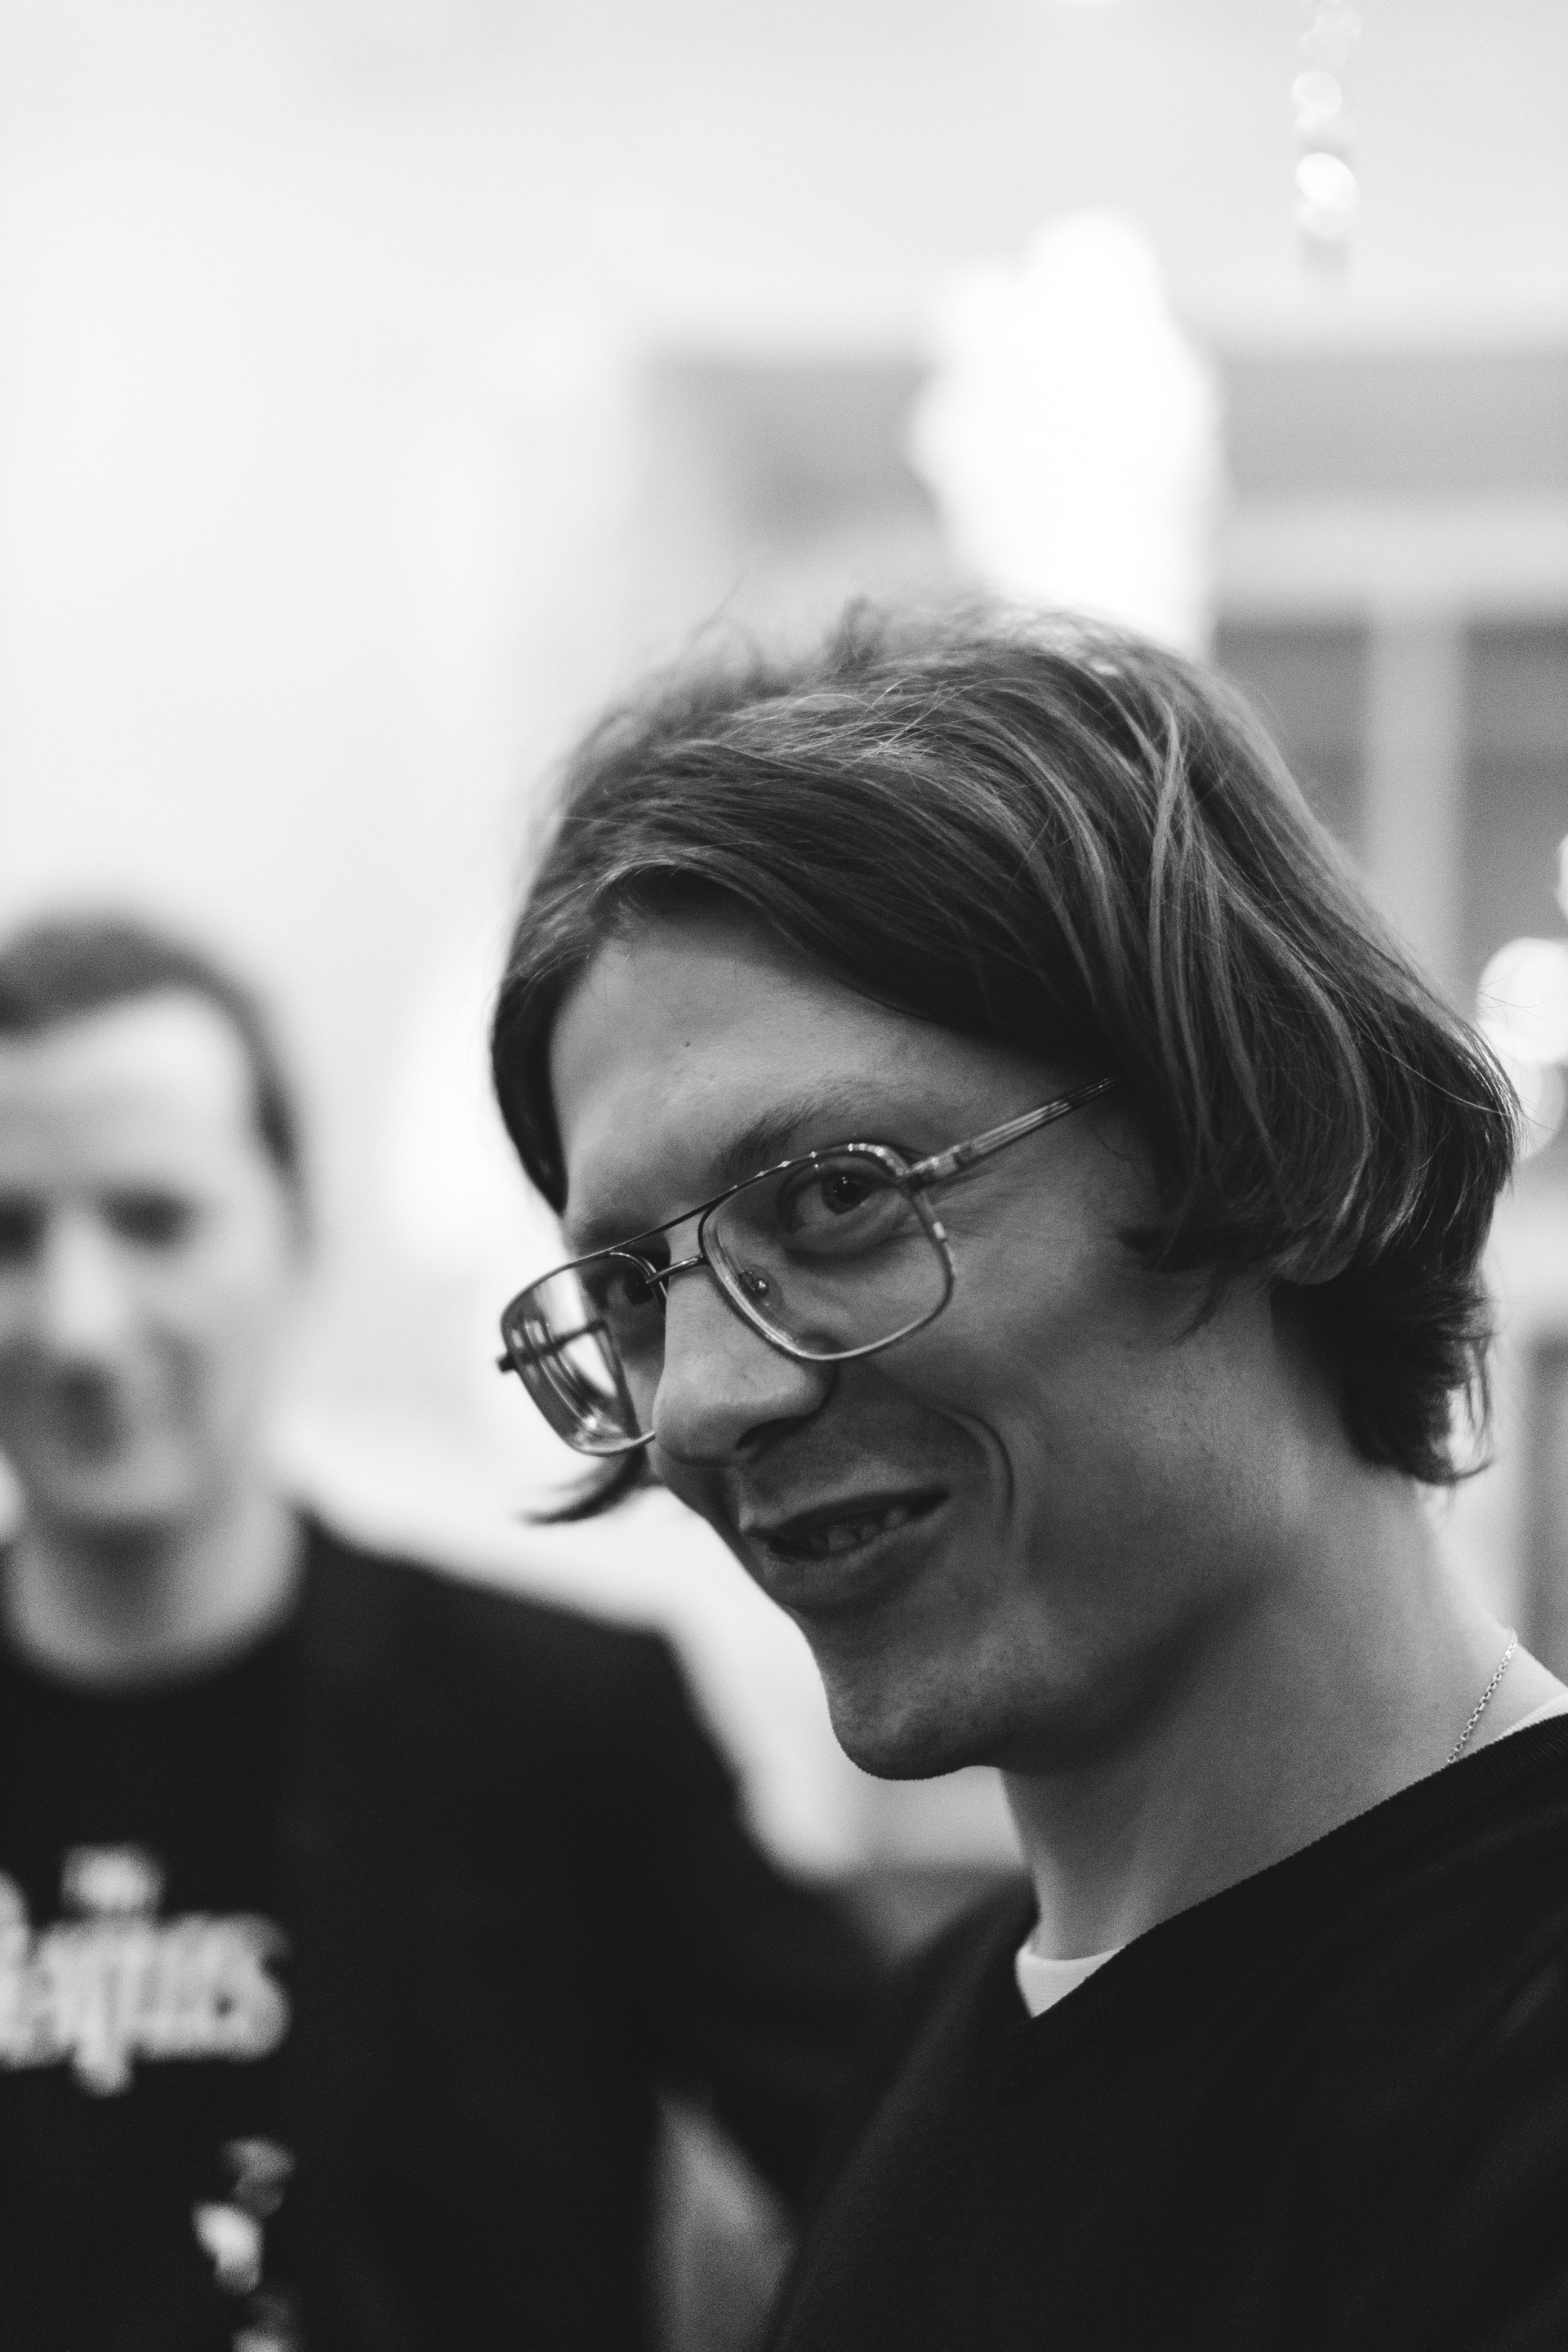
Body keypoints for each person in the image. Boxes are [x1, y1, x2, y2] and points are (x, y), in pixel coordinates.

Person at [489, 606, 1568, 2352]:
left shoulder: (1513, 2034)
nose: (701, 1402)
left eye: (839, 1196)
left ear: (1283, 1147)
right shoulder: (937, 2026)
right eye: (627, 1291)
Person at [0, 914, 874, 2352]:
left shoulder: (558, 1723)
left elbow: (903, 2179)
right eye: (11, 1236)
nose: (79, 1325)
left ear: (294, 1236)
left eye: (155, 1221)